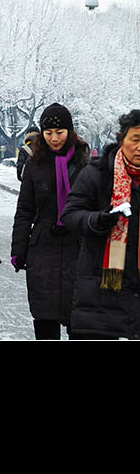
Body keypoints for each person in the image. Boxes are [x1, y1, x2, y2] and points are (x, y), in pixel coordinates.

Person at [11, 103, 90, 339]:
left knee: (80, 321)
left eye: (59, 132)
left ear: (69, 131)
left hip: (79, 250)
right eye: (48, 133)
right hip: (43, 251)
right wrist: (19, 249)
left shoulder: (86, 165)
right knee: (44, 320)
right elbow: (24, 209)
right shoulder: (34, 165)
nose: (54, 138)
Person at [61, 109, 140, 339]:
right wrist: (97, 220)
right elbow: (71, 214)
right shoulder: (97, 173)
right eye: (135, 140)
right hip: (102, 293)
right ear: (121, 139)